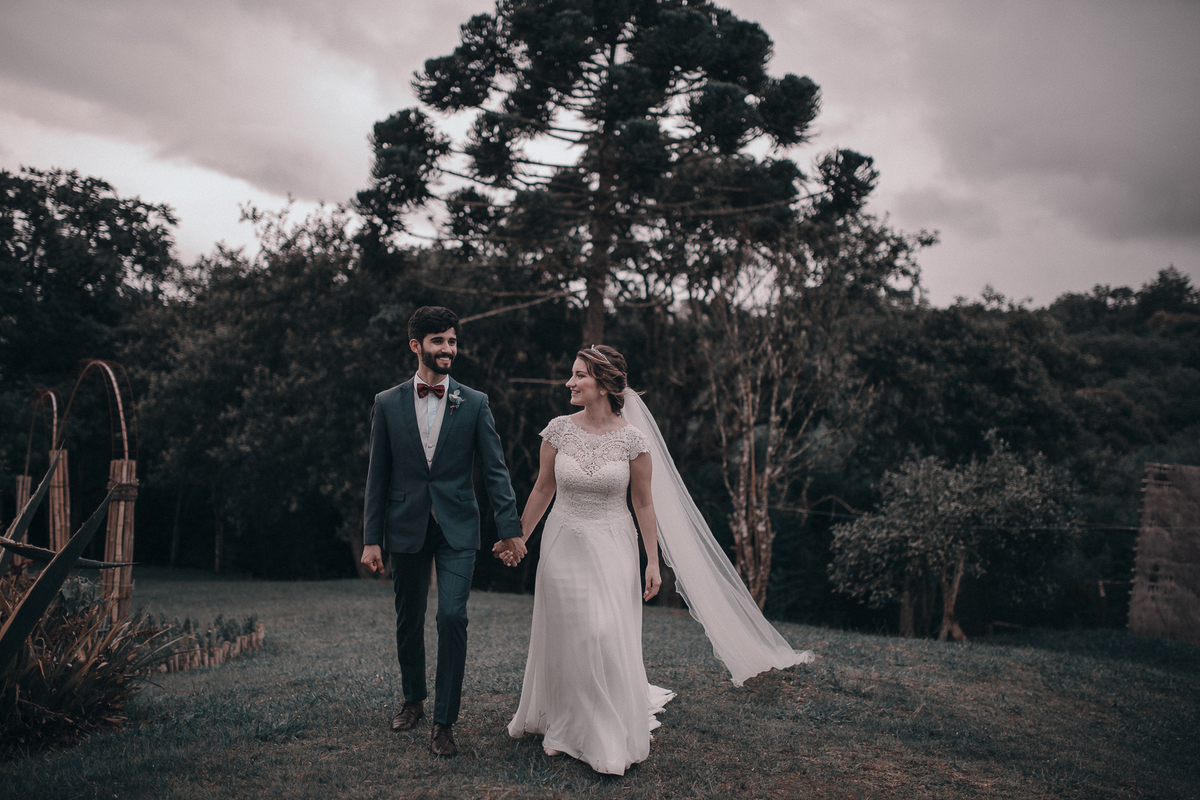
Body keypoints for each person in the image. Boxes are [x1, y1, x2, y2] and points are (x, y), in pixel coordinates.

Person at [500, 344, 814, 775]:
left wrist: (652, 562)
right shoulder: (557, 430)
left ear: (605, 384)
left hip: (614, 544)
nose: (569, 383)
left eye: (579, 376)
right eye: (571, 374)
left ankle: (604, 728)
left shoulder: (633, 439)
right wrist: (518, 538)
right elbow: (542, 490)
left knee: (602, 633)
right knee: (571, 634)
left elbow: (644, 504)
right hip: (562, 543)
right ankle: (567, 726)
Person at [361, 306, 526, 757]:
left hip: (458, 528)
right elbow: (378, 476)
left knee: (452, 616)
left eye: (452, 341)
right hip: (405, 526)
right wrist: (371, 538)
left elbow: (495, 471)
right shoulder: (387, 402)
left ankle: (444, 722)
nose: (447, 349)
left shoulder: (474, 402)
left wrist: (510, 529)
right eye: (438, 341)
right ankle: (412, 700)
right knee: (408, 618)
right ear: (417, 346)